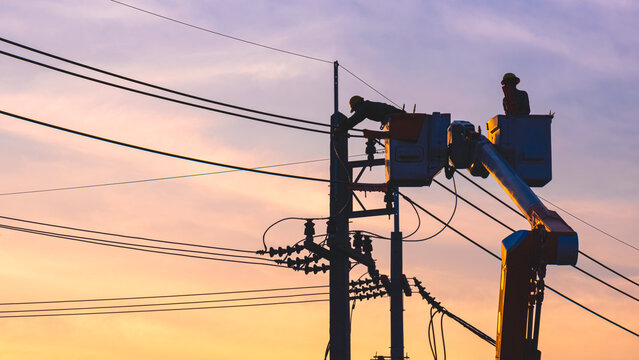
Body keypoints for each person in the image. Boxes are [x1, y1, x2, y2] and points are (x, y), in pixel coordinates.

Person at [334, 95, 405, 132]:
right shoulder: (367, 106)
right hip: (398, 115)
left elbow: (355, 119)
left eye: (355, 109)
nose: (356, 111)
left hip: (399, 116)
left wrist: (341, 127)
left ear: (356, 105)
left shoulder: (364, 107)